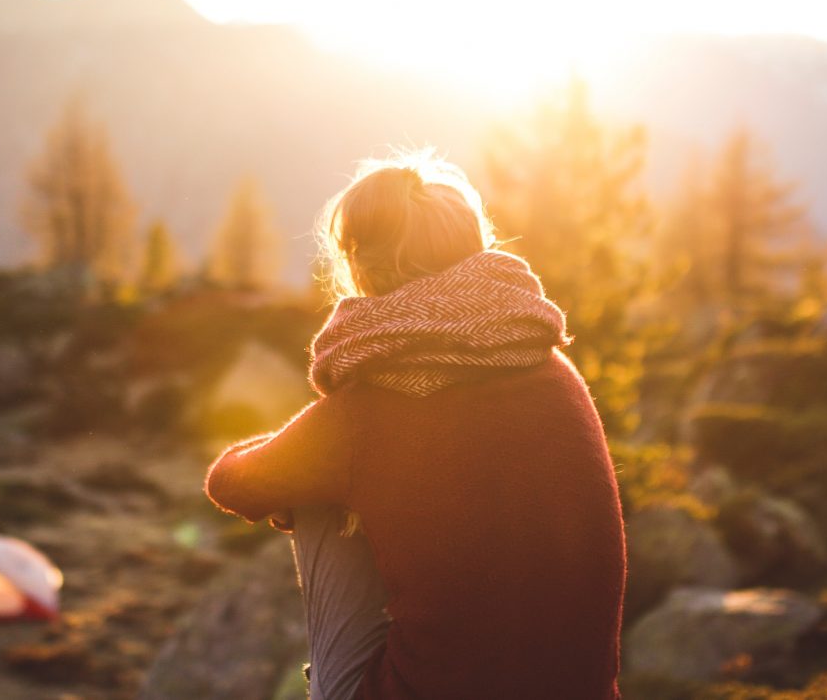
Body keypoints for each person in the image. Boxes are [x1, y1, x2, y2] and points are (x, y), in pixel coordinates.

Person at [204, 150, 627, 699]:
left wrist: (307, 458)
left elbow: (233, 482)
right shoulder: (551, 366)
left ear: (359, 265)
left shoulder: (369, 407)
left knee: (318, 492)